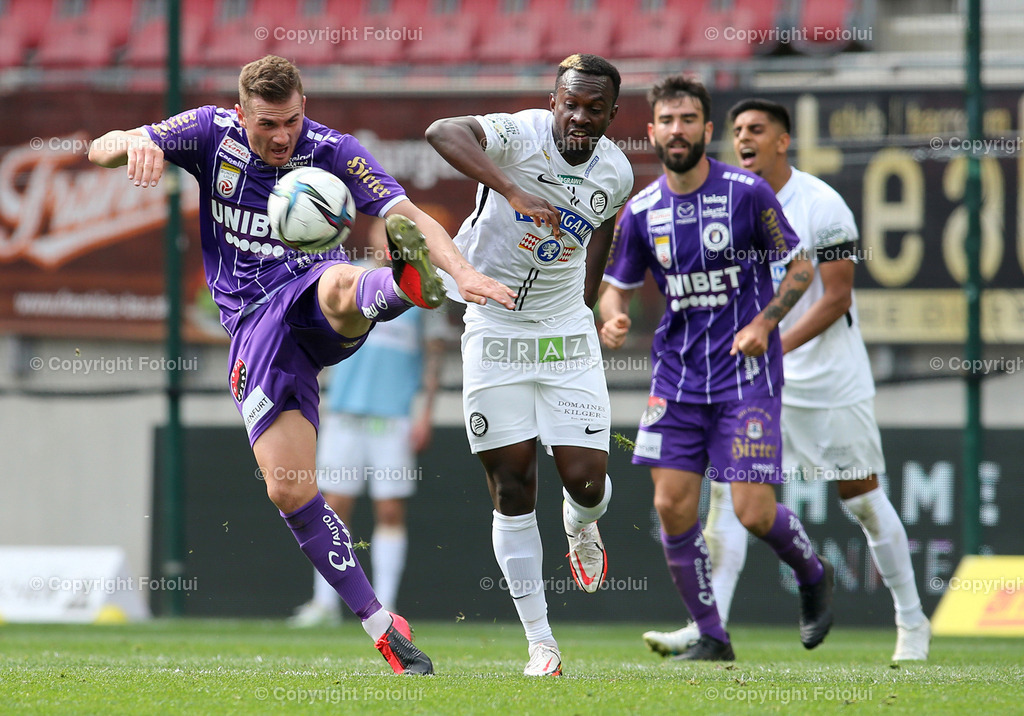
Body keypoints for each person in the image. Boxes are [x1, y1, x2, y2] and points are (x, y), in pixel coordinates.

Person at [88, 55, 514, 675]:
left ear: (303, 108)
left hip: (308, 292)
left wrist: (464, 272)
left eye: (291, 120)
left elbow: (406, 216)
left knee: (340, 282)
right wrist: (131, 143)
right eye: (267, 124)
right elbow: (100, 149)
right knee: (289, 489)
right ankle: (381, 625)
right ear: (241, 114)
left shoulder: (332, 149)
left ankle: (401, 287)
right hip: (252, 330)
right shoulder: (209, 133)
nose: (282, 136)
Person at [642, 99, 931, 662]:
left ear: (783, 141)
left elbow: (837, 298)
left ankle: (912, 621)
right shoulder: (726, 201)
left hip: (826, 381)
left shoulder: (822, 203)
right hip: (748, 381)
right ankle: (709, 629)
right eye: (737, 131)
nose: (744, 139)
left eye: (757, 130)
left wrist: (769, 339)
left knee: (863, 499)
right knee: (726, 500)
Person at [599, 75, 833, 662]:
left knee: (753, 511)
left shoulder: (748, 194)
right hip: (676, 379)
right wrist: (613, 317)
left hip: (744, 377)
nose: (676, 131)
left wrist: (766, 323)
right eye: (666, 121)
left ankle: (812, 573)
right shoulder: (642, 211)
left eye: (688, 120)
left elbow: (800, 267)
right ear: (651, 132)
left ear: (706, 130)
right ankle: (712, 634)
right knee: (672, 505)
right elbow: (614, 288)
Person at [425, 53, 634, 676]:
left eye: (595, 109)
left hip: (564, 334)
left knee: (586, 482)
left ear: (612, 115)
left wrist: (590, 300)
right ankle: (541, 642)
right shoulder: (519, 135)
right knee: (513, 486)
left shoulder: (616, 171)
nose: (580, 117)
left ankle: (582, 522)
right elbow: (442, 132)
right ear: (553, 101)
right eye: (571, 103)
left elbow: (604, 225)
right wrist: (511, 188)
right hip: (494, 324)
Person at [289, 220, 448, 627]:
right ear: (374, 238)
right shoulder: (349, 279)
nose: (387, 241)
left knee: (390, 511)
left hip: (392, 419)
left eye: (395, 236)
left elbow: (434, 356)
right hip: (344, 414)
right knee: (331, 508)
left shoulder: (421, 289)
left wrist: (425, 413)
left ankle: (386, 606)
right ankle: (324, 605)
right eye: (383, 233)